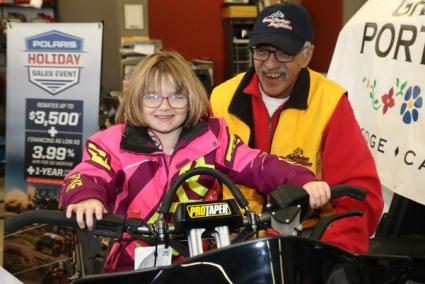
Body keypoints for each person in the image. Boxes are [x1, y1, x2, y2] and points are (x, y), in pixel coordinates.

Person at [58, 50, 331, 272]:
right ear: (135, 99)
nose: (165, 106)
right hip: (133, 263)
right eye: (152, 96)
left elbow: (258, 164)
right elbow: (87, 173)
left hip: (205, 261)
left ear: (191, 99)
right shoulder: (112, 143)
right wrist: (85, 196)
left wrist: (301, 180)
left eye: (177, 96)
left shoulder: (214, 136)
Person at [210, 3, 383, 254]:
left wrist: (330, 255)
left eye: (283, 53)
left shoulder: (330, 102)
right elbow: (202, 183)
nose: (269, 65)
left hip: (306, 243)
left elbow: (360, 197)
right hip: (232, 242)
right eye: (262, 51)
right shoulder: (219, 99)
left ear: (307, 54)